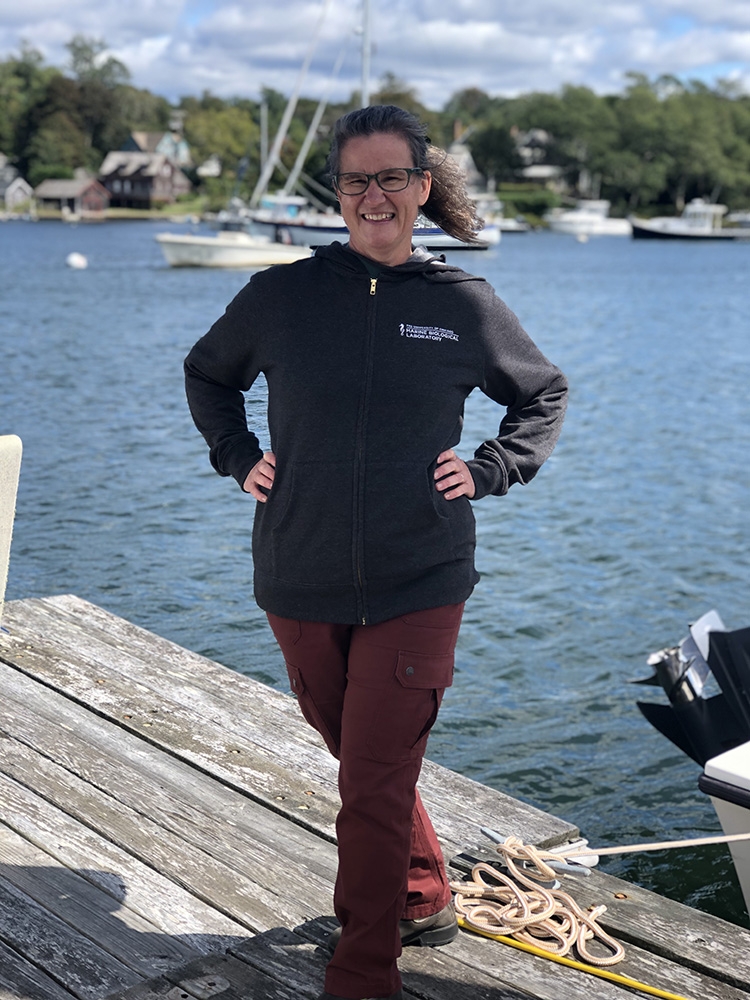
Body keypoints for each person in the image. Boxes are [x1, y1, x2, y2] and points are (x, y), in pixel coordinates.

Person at [184, 104, 568, 1000]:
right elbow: (208, 375)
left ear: (422, 187)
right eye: (356, 179)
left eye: (393, 176)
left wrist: (492, 467)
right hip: (297, 569)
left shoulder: (462, 306)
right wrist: (240, 457)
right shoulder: (282, 295)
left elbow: (541, 393)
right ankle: (423, 891)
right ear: (338, 192)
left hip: (421, 573)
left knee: (372, 781)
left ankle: (363, 973)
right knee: (359, 757)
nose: (374, 195)